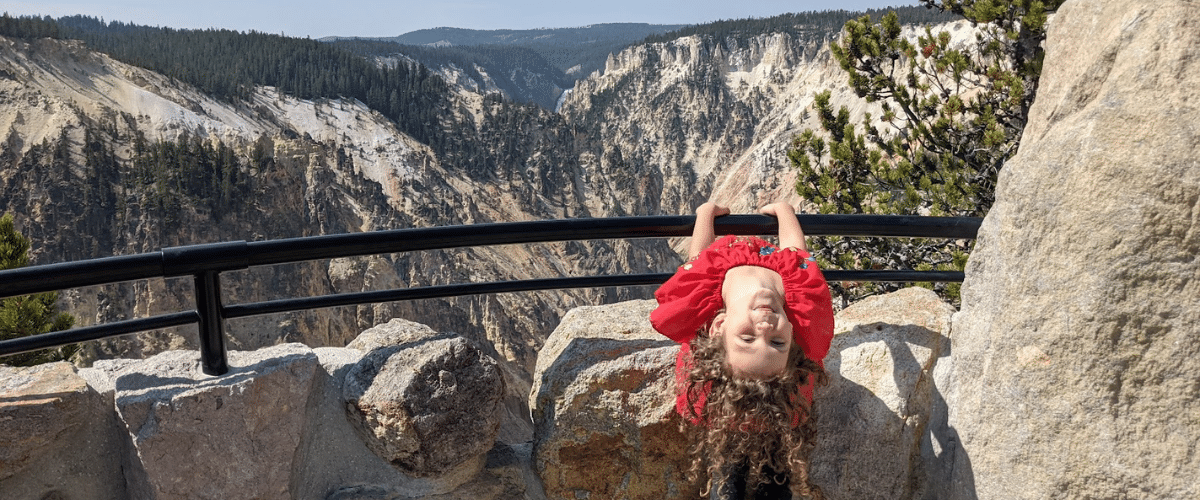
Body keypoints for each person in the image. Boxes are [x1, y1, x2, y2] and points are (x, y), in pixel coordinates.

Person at [650, 201, 835, 500]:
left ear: (719, 325)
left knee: (728, 457)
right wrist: (785, 212)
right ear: (791, 332)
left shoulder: (707, 286)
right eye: (777, 342)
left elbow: (696, 255)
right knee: (774, 453)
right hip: (775, 400)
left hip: (734, 397)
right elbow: (796, 248)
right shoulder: (798, 287)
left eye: (746, 338)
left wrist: (705, 215)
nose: (764, 328)